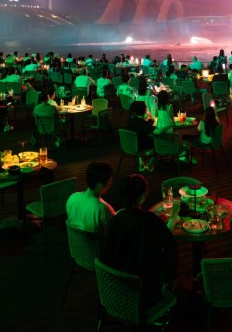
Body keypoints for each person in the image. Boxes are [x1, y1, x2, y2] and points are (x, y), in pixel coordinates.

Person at [100, 174, 177, 310]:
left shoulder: (115, 218)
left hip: (112, 286)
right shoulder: (148, 221)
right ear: (142, 196)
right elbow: (167, 237)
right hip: (141, 291)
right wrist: (175, 216)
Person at [66, 161, 116, 235]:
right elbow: (114, 236)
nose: (111, 181)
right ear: (99, 183)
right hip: (99, 246)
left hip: (77, 245)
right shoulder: (103, 209)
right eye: (109, 179)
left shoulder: (72, 198)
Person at [125, 101, 156, 172]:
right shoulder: (143, 124)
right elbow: (156, 131)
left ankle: (141, 162)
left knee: (142, 137)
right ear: (144, 110)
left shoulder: (130, 120)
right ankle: (149, 164)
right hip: (140, 146)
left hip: (130, 144)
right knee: (158, 142)